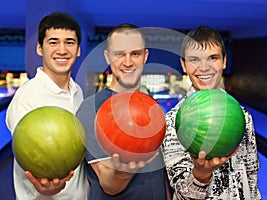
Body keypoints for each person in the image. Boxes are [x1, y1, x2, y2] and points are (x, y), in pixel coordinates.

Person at [161, 25, 262, 199]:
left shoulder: (242, 114)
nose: (204, 67)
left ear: (224, 61)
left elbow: (252, 178)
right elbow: (182, 193)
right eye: (194, 59)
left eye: (213, 58)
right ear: (184, 65)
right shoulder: (172, 121)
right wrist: (201, 175)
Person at [76, 23, 170, 199]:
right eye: (119, 54)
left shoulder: (151, 106)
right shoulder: (91, 109)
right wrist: (123, 172)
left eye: (135, 54)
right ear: (107, 57)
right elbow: (107, 184)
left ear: (145, 56)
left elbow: (159, 170)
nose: (128, 62)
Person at [6, 12, 89, 199]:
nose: (62, 50)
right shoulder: (27, 98)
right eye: (53, 42)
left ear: (78, 50)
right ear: (39, 48)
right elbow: (30, 161)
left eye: (69, 42)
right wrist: (46, 188)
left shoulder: (77, 91)